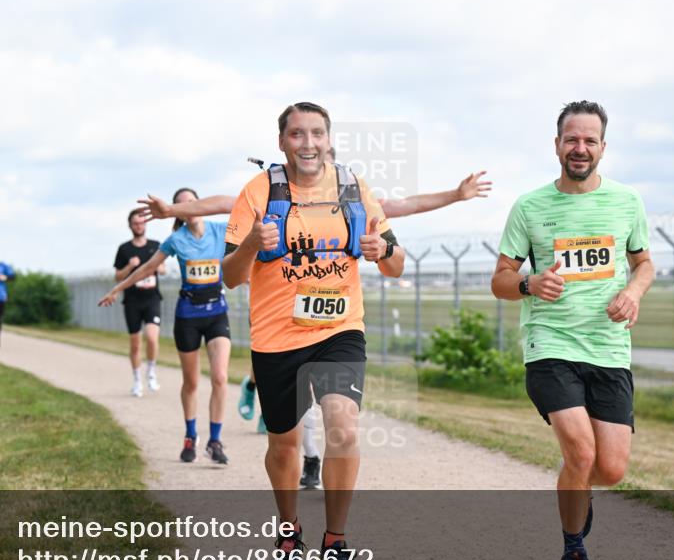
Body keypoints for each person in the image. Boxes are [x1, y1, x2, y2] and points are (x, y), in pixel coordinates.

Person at [145, 151, 492, 490]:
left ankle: (311, 459)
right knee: (295, 406)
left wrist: (456, 195)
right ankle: (266, 400)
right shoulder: (274, 195)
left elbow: (406, 205)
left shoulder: (351, 197)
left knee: (325, 402)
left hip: (334, 325)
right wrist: (173, 211)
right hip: (279, 320)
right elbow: (221, 202)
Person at [222, 102, 404, 560]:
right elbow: (231, 277)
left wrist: (381, 250)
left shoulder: (353, 188)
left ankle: (336, 541)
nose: (308, 143)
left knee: (343, 427)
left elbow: (396, 263)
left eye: (317, 134)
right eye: (298, 134)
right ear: (282, 142)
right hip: (278, 337)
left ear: (329, 139)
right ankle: (288, 532)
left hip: (340, 331)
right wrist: (250, 247)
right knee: (284, 444)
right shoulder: (257, 193)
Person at [491, 101, 654, 560]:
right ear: (557, 144)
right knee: (580, 452)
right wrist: (528, 284)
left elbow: (644, 263)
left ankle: (577, 492)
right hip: (550, 345)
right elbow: (499, 279)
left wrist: (633, 291)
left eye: (589, 140)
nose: (579, 148)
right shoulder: (530, 207)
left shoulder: (627, 201)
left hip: (608, 348)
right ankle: (573, 554)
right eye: (571, 139)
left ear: (602, 147)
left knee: (610, 468)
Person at [100, 201, 231, 465]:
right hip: (188, 316)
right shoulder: (176, 239)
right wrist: (118, 289)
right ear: (178, 212)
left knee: (220, 376)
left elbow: (248, 242)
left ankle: (214, 440)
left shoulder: (221, 229)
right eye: (183, 204)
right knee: (192, 382)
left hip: (217, 312)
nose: (191, 207)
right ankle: (190, 435)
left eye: (194, 201)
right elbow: (147, 268)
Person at [113, 210, 166, 397]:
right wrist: (129, 266)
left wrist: (158, 266)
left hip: (152, 298)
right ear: (130, 225)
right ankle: (137, 380)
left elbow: (164, 270)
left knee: (152, 337)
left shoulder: (155, 246)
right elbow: (117, 276)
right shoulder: (124, 249)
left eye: (142, 223)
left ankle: (151, 370)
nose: (139, 226)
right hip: (132, 301)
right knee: (135, 343)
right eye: (135, 223)